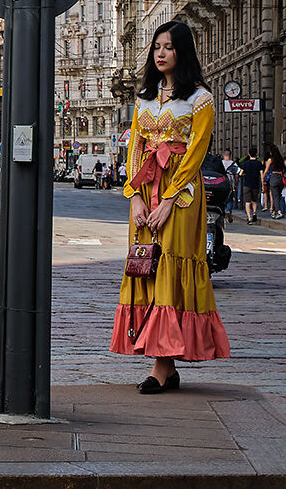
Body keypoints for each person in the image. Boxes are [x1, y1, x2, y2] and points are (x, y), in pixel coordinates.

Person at [112, 21, 230, 393]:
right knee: (146, 265)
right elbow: (134, 148)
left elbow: (195, 155)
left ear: (183, 51)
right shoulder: (144, 97)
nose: (160, 53)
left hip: (181, 195)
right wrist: (133, 197)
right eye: (156, 47)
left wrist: (169, 200)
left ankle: (161, 368)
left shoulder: (200, 98)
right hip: (146, 189)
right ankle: (165, 365)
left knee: (170, 266)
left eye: (168, 47)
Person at [263, 144, 286, 220]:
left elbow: (266, 170)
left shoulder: (270, 160)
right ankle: (273, 212)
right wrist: (285, 174)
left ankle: (279, 212)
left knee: (275, 196)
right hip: (280, 177)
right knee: (278, 195)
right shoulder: (282, 159)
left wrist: (263, 178)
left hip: (273, 177)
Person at [238, 147, 263, 224]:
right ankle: (255, 213)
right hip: (255, 184)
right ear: (256, 154)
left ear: (249, 154)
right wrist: (263, 185)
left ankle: (249, 218)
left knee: (247, 201)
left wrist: (244, 174)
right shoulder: (259, 163)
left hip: (247, 184)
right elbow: (261, 174)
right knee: (254, 200)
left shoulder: (245, 163)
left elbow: (240, 173)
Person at [220, 149, 240, 217]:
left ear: (223, 155)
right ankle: (228, 210)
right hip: (230, 182)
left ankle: (222, 211)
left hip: (221, 182)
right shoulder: (234, 164)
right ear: (230, 155)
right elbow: (237, 174)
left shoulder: (220, 163)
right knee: (230, 198)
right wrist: (236, 184)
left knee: (221, 197)